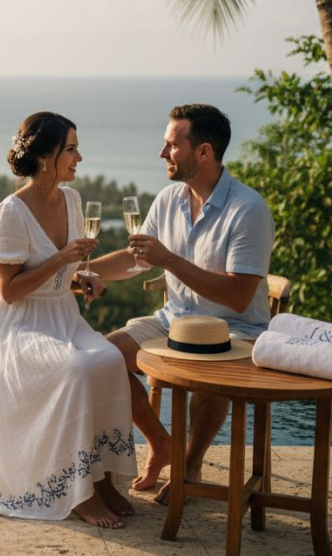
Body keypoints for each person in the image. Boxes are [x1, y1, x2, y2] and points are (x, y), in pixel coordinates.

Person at [87, 104, 275, 503]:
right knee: (97, 360)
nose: (162, 153)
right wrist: (83, 270)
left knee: (209, 380)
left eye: (172, 145)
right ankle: (162, 443)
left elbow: (239, 296)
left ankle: (190, 465)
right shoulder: (171, 198)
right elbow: (136, 258)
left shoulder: (249, 210)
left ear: (203, 152)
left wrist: (169, 260)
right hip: (173, 322)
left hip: (235, 331)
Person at [0, 111, 138, 528]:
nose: (80, 157)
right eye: (72, 149)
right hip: (20, 325)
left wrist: (83, 277)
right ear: (47, 156)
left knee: (110, 360)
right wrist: (64, 258)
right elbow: (9, 290)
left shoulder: (72, 200)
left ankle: (100, 479)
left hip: (64, 315)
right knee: (78, 368)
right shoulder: (10, 212)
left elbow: (62, 274)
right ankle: (75, 490)